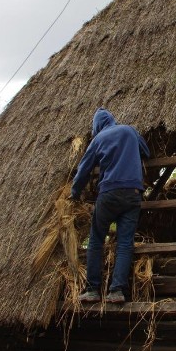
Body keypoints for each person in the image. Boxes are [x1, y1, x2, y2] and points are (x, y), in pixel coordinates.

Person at [70, 108, 150, 304]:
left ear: (97, 125)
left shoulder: (98, 139)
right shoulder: (130, 131)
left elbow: (84, 170)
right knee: (124, 242)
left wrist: (74, 192)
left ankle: (92, 289)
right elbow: (146, 152)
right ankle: (117, 291)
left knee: (96, 239)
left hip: (109, 194)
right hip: (133, 193)